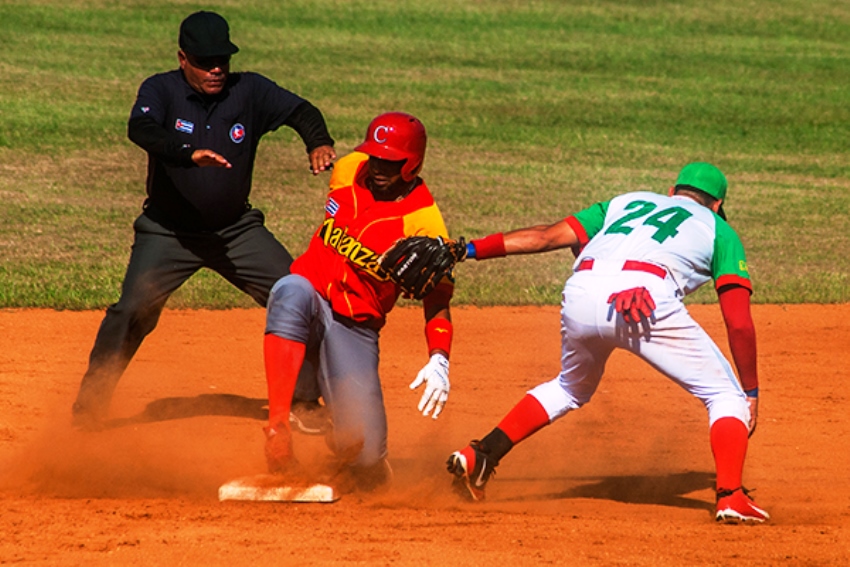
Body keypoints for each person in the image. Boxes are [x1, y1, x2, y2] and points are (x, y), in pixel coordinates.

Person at [446, 162, 770, 524]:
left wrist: (467, 250)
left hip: (581, 290)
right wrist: (751, 391)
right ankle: (731, 497)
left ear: (671, 191)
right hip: (642, 300)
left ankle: (483, 455)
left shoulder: (625, 203)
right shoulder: (719, 229)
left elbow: (546, 237)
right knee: (725, 396)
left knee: (570, 387)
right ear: (717, 204)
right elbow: (739, 323)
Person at [71, 11, 336, 428]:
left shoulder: (248, 90)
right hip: (168, 231)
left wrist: (317, 142)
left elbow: (302, 111)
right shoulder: (160, 90)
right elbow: (140, 128)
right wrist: (186, 152)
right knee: (130, 312)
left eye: (222, 60)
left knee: (300, 295)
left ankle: (303, 402)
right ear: (182, 58)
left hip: (235, 230)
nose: (216, 69)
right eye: (205, 61)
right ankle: (89, 408)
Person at [263, 111, 456, 492]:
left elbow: (438, 297)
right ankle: (279, 427)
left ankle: (340, 413)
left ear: (413, 163)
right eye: (375, 156)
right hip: (312, 299)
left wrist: (439, 357)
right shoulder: (350, 169)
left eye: (391, 160)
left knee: (365, 456)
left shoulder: (423, 222)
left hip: (355, 326)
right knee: (289, 289)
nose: (379, 166)